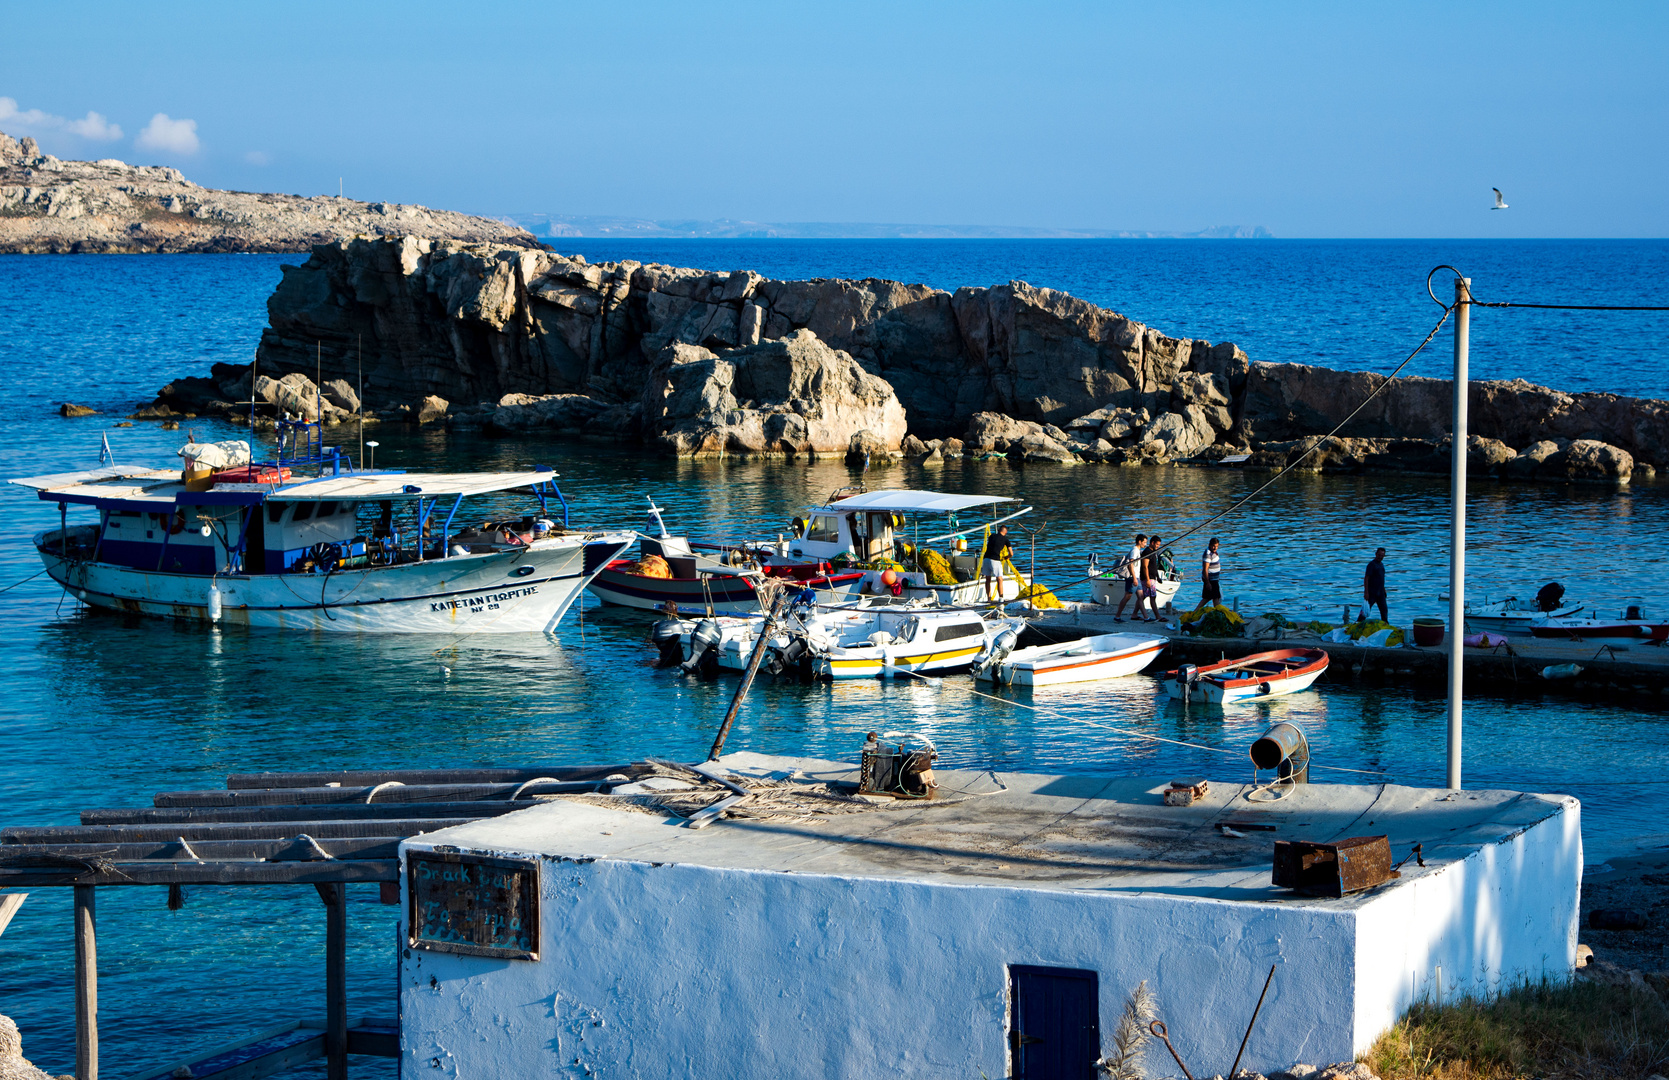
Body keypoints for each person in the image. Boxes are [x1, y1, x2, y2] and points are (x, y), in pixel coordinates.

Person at [1113, 533, 1147, 623]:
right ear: (1139, 541)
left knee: (1141, 596)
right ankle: (1117, 616)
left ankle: (1145, 617)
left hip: (1137, 577)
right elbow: (1130, 564)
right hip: (1133, 577)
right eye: (1144, 542)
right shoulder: (1135, 550)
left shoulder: (1138, 551)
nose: (1145, 544)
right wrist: (1134, 578)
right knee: (1127, 596)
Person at [982, 525, 1012, 602]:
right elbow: (1011, 553)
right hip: (995, 560)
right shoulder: (1006, 540)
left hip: (986, 559)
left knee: (987, 579)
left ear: (999, 530)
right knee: (999, 579)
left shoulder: (991, 536)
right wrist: (1007, 557)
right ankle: (1001, 598)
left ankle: (989, 598)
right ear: (1006, 532)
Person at [1139, 534, 1164, 622]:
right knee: (1151, 597)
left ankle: (1134, 614)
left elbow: (1154, 566)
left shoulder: (1153, 552)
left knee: (1144, 596)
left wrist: (1158, 577)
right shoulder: (1147, 552)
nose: (1158, 546)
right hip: (1148, 578)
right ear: (1152, 543)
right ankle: (1158, 616)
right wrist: (1147, 579)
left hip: (1153, 577)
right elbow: (1145, 566)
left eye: (1159, 545)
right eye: (1157, 544)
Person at [1363, 547, 1388, 622]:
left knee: (1384, 610)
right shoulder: (1371, 565)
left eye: (1382, 556)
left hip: (1380, 593)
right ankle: (1358, 623)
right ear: (1376, 554)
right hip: (1372, 592)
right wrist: (1366, 592)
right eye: (1379, 555)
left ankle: (1385, 625)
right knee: (1365, 610)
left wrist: (1384, 590)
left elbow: (1381, 579)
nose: (1380, 557)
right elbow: (1366, 578)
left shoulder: (1381, 565)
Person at [1201, 537, 1222, 606]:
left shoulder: (1214, 552)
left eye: (1216, 546)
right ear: (1209, 544)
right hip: (1211, 580)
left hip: (1214, 580)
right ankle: (1217, 612)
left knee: (1209, 598)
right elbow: (1205, 569)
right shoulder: (1208, 554)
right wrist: (1207, 583)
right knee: (1214, 598)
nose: (1215, 548)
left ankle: (1195, 612)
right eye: (1213, 546)